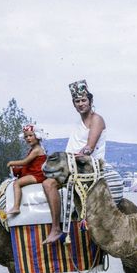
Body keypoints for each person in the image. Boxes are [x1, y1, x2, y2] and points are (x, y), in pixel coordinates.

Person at [42, 79, 106, 244]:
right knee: (46, 178)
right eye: (77, 101)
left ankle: (56, 228)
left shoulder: (96, 119)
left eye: (84, 100)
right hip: (74, 164)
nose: (81, 104)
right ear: (74, 104)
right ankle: (56, 227)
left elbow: (89, 148)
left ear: (91, 101)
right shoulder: (78, 123)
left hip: (88, 165)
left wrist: (71, 158)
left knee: (49, 184)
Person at [6, 124, 47, 215]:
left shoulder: (37, 150)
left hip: (38, 174)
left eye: (30, 135)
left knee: (17, 183)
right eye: (26, 137)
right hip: (34, 172)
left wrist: (12, 163)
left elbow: (25, 162)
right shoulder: (34, 149)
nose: (28, 138)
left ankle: (16, 207)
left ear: (37, 136)